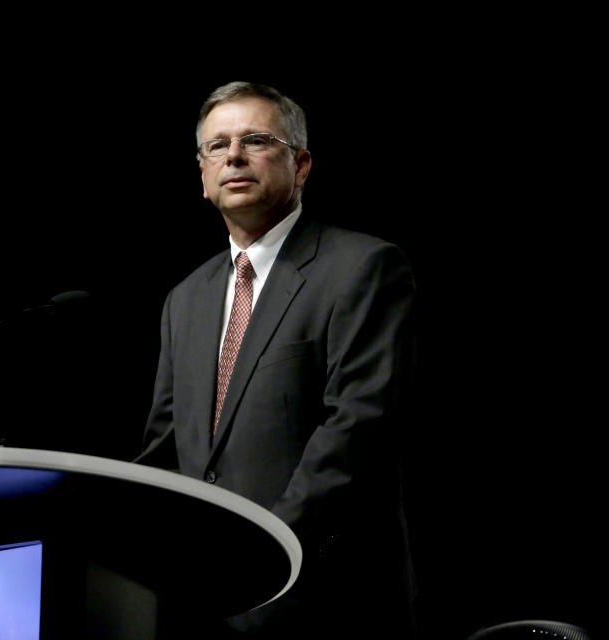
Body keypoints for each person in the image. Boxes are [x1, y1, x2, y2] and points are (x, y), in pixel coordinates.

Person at [136, 81, 417, 638]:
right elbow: (164, 454)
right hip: (205, 605)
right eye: (216, 146)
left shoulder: (362, 268)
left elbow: (356, 434)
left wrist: (258, 561)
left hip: (325, 601)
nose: (233, 156)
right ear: (201, 176)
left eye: (256, 139)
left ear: (302, 163)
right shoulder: (185, 299)